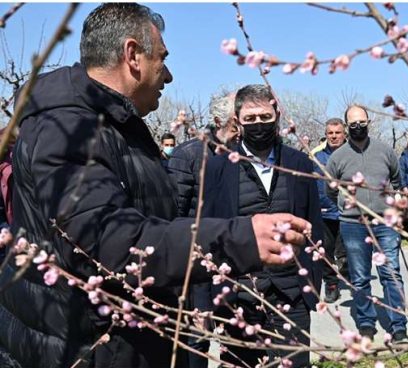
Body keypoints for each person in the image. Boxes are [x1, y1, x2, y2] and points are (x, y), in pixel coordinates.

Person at [0, 4, 310, 368]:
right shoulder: (68, 130)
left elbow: (152, 222)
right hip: (88, 348)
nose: (169, 76)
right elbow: (111, 244)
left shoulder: (115, 127)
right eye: (161, 58)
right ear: (133, 55)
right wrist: (239, 239)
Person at [202, 84, 323, 367]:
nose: (259, 124)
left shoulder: (299, 164)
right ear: (238, 121)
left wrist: (313, 282)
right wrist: (212, 297)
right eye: (251, 118)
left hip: (291, 290)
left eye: (265, 117)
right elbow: (209, 229)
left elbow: (313, 222)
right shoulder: (219, 167)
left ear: (277, 115)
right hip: (240, 293)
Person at [167, 90, 239, 368]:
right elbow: (175, 220)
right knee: (197, 339)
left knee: (236, 339)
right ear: (219, 120)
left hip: (234, 263)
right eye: (236, 123)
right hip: (197, 266)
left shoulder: (240, 156)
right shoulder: (189, 155)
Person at [326, 104, 408, 343]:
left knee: (391, 273)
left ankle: (399, 327)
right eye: (353, 124)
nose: (358, 127)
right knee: (360, 276)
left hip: (385, 222)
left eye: (362, 122)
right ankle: (366, 324)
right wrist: (346, 206)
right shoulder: (338, 157)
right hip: (353, 224)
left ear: (368, 122)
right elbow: (331, 190)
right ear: (346, 126)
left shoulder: (385, 150)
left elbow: (396, 179)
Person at [168, 90, 239, 217]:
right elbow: (175, 211)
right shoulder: (187, 155)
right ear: (218, 122)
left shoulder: (243, 154)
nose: (240, 132)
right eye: (235, 126)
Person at [313, 118, 347, 303]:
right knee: (325, 251)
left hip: (347, 212)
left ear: (344, 134)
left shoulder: (353, 153)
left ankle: (348, 274)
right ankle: (331, 285)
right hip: (324, 212)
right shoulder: (316, 156)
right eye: (330, 133)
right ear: (326, 135)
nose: (334, 136)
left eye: (338, 133)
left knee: (346, 252)